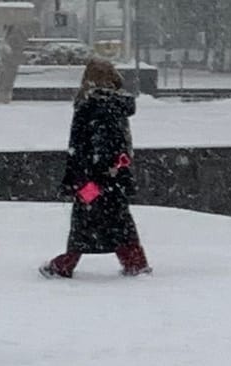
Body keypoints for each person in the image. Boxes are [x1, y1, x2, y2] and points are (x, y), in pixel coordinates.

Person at [39, 59, 150, 279]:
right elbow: (114, 142)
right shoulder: (114, 104)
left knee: (85, 218)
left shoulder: (93, 105)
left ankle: (65, 264)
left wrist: (84, 174)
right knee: (117, 219)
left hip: (93, 176)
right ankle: (134, 262)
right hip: (113, 176)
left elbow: (88, 144)